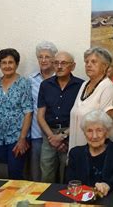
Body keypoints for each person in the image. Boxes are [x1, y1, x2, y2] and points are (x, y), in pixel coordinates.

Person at [37, 51, 83, 183]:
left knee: (69, 174)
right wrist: (52, 138)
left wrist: (62, 136)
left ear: (73, 66)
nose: (59, 66)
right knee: (46, 174)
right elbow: (40, 116)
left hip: (71, 133)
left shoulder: (81, 86)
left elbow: (82, 116)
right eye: (56, 63)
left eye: (63, 63)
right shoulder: (45, 85)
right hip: (49, 135)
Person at [66, 110, 113, 196]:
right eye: (89, 131)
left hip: (110, 199)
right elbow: (70, 182)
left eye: (99, 130)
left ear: (107, 133)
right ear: (84, 133)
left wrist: (108, 185)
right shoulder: (75, 154)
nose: (94, 136)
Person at [0, 48, 32, 180]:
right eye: (4, 62)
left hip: (16, 137)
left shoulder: (23, 83)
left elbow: (28, 112)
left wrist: (22, 138)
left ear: (16, 64)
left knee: (15, 175)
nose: (7, 66)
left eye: (11, 62)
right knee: (0, 174)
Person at [69, 47, 113, 151]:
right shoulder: (84, 84)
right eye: (86, 62)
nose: (88, 65)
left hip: (95, 151)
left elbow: (106, 125)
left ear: (105, 66)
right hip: (76, 148)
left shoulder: (107, 87)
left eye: (93, 62)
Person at [28, 41, 57, 181]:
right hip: (36, 133)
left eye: (47, 57)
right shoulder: (31, 80)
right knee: (37, 173)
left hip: (57, 134)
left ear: (54, 59)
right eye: (40, 57)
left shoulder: (60, 79)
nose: (43, 60)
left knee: (55, 174)